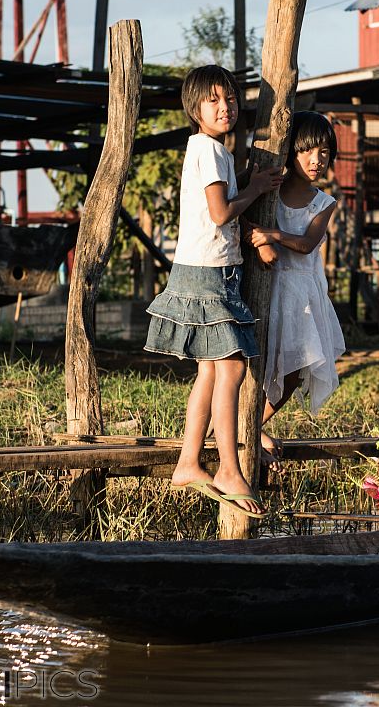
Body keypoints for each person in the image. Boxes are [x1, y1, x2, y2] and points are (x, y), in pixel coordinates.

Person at [143, 65, 282, 518]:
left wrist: (247, 181)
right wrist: (257, 185)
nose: (225, 108)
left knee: (211, 372)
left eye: (230, 100)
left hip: (208, 270)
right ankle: (226, 468)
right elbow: (221, 213)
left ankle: (187, 461)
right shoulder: (207, 150)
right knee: (232, 372)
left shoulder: (212, 151)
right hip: (207, 275)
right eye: (213, 101)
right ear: (195, 109)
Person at [249, 111, 345, 458]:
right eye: (308, 151)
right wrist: (260, 240)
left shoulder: (324, 202)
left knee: (293, 371)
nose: (316, 160)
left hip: (302, 294)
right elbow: (242, 216)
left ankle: (252, 426)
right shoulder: (270, 189)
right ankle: (234, 430)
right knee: (255, 368)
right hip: (266, 288)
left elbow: (306, 244)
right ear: (292, 151)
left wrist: (271, 235)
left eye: (324, 153)